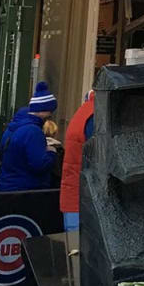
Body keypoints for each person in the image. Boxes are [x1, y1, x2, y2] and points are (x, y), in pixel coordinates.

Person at [0, 82, 59, 192]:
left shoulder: (11, 128)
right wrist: (52, 153)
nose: (51, 115)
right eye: (51, 111)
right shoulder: (33, 131)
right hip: (28, 188)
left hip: (7, 186)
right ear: (44, 110)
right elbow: (39, 164)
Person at [60, 90, 94, 231]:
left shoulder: (84, 112)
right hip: (86, 197)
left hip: (74, 193)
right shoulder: (96, 115)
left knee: (75, 246)